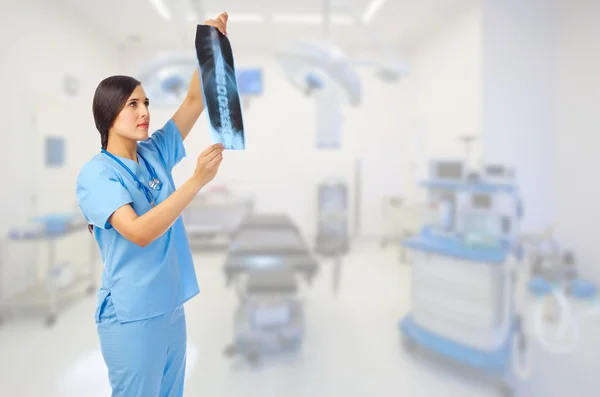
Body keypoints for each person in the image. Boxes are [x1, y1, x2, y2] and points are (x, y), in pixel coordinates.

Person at [75, 12, 230, 397]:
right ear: (109, 114)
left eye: (146, 102)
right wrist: (196, 181)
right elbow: (139, 231)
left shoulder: (155, 151)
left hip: (169, 307)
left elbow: (194, 100)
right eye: (133, 105)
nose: (145, 112)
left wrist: (210, 47)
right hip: (131, 316)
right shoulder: (97, 175)